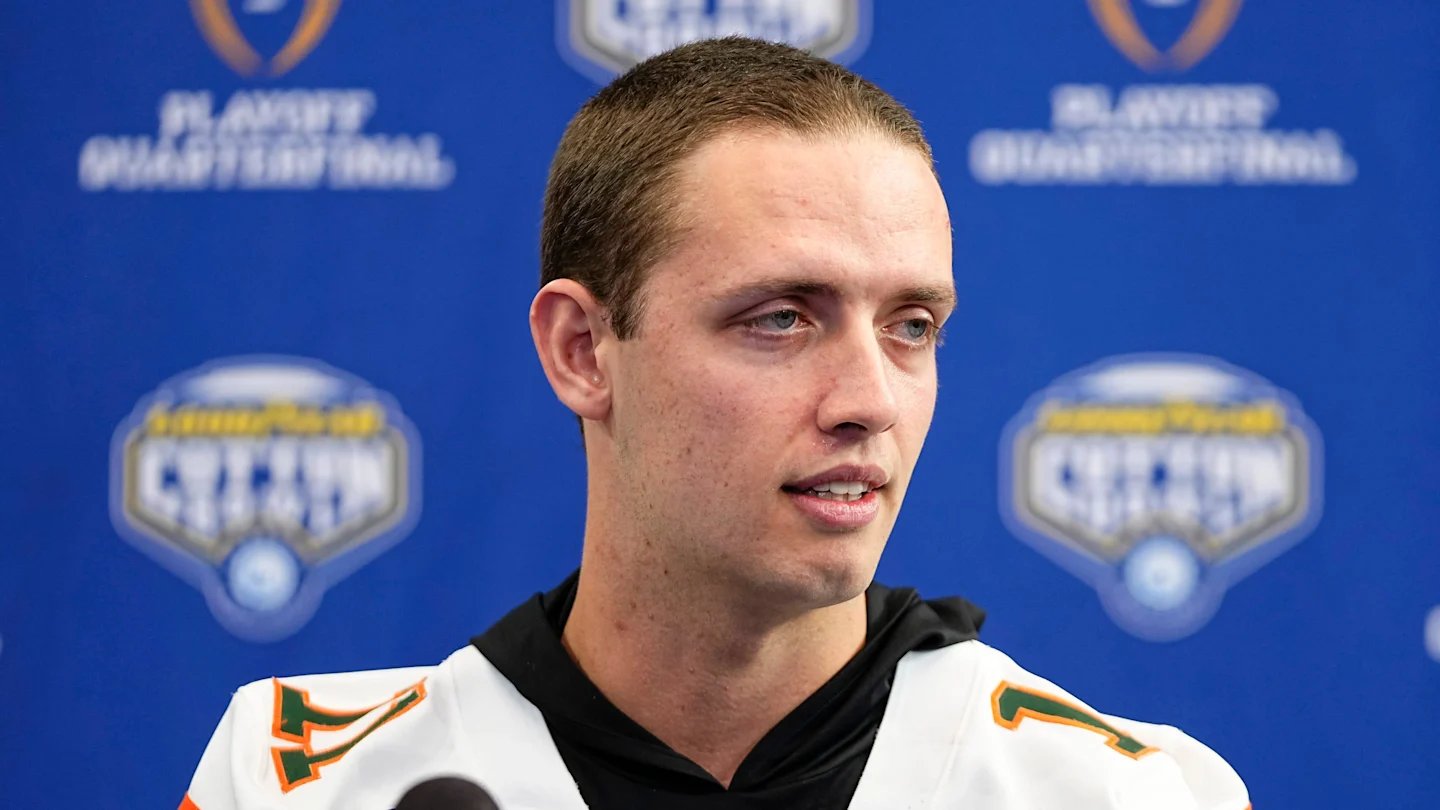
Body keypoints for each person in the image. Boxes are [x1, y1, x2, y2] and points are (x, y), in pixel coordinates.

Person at [180, 37, 1250, 810]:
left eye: (912, 326)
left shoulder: (1124, 793)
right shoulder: (292, 785)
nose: (871, 400)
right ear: (582, 350)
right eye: (781, 318)